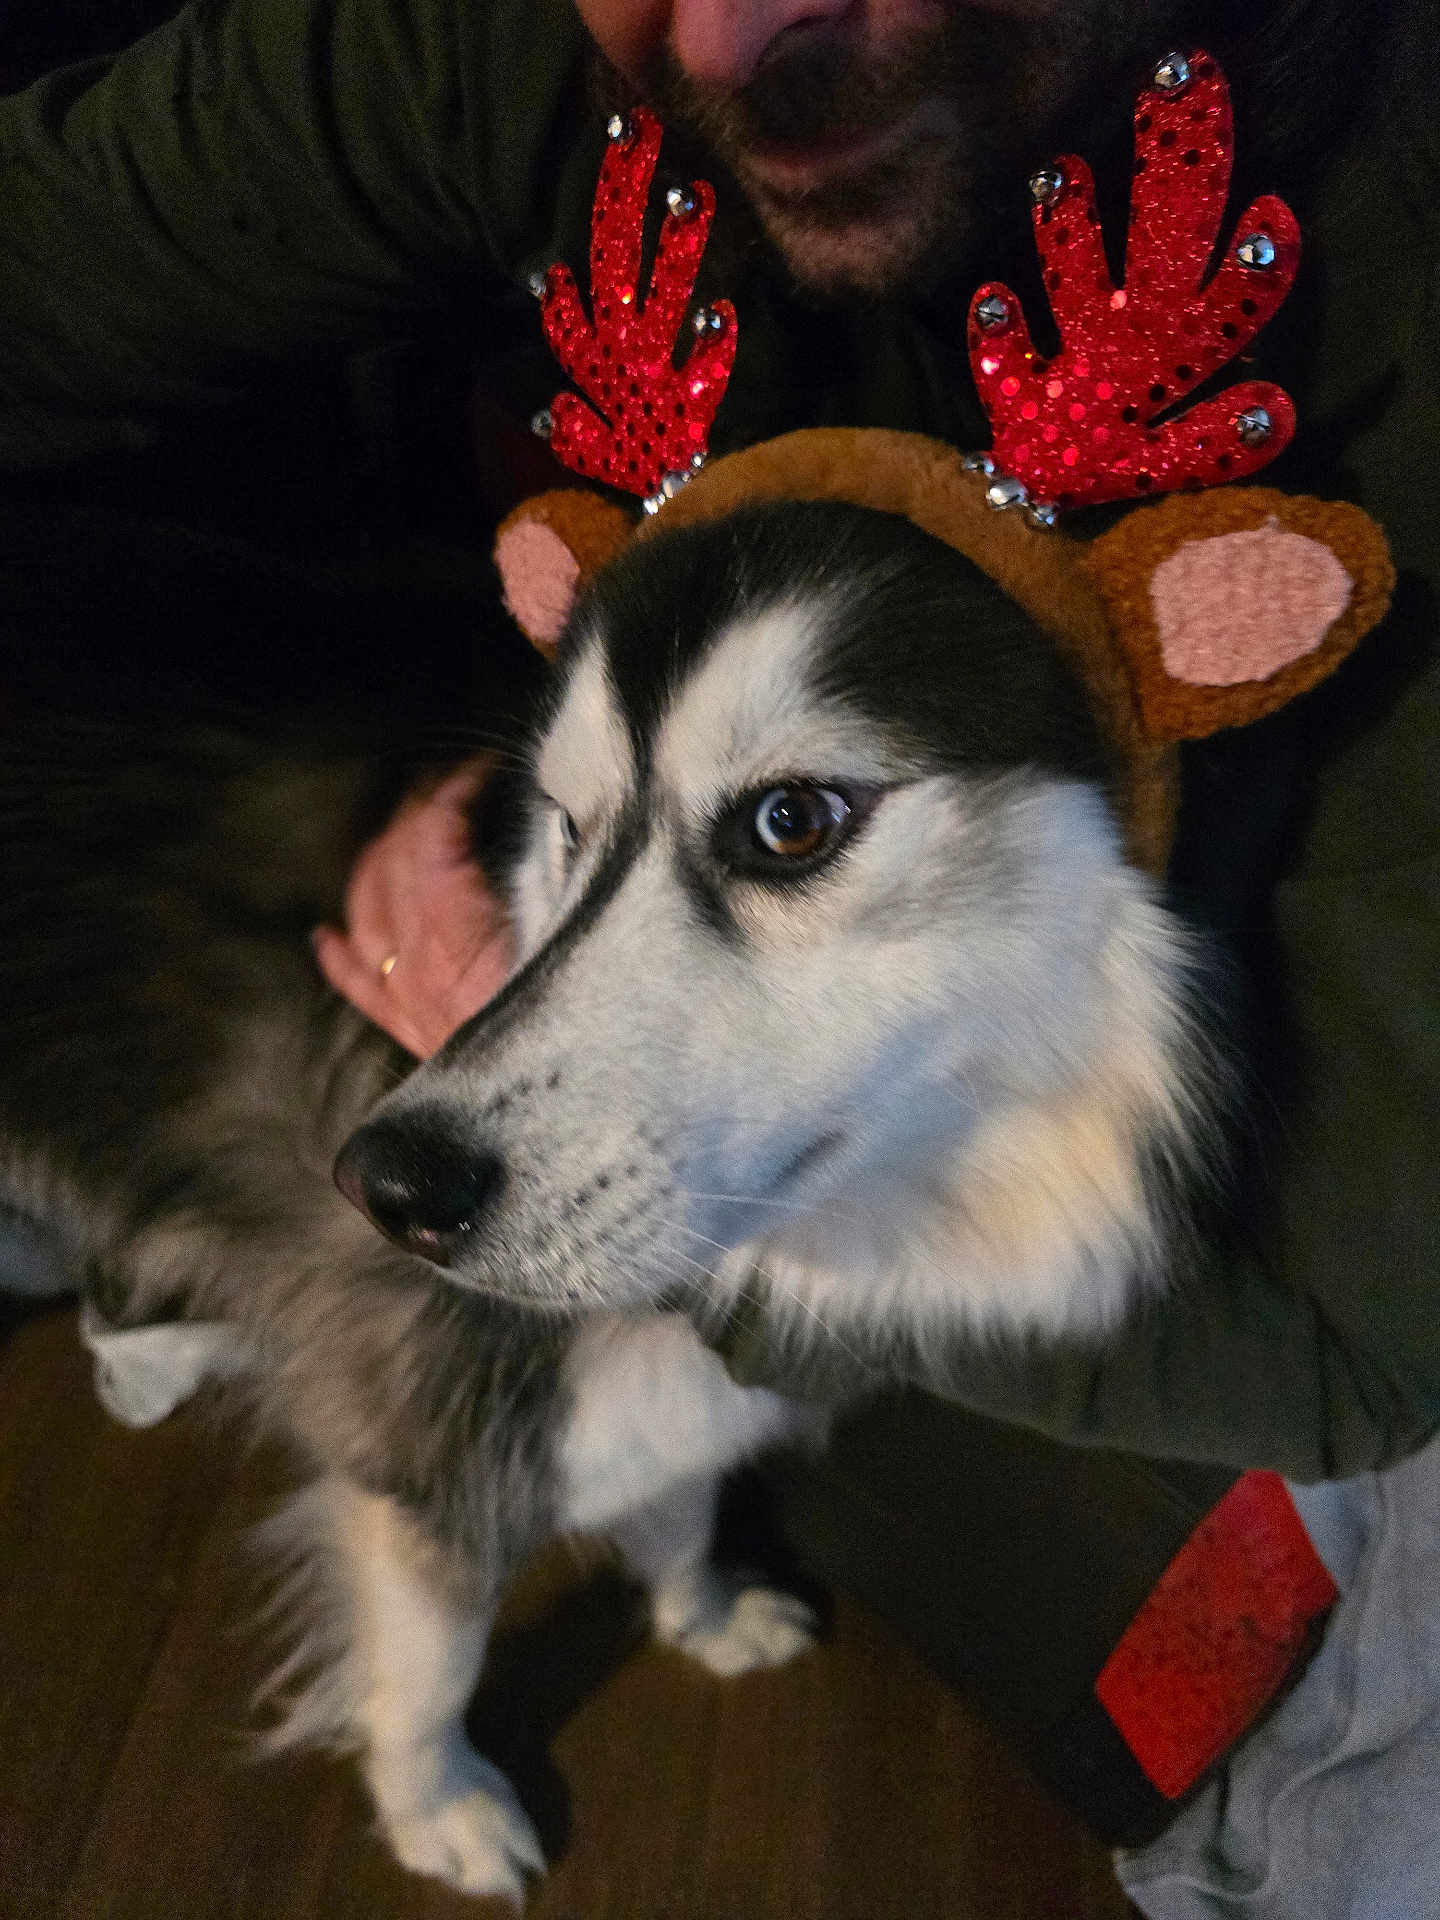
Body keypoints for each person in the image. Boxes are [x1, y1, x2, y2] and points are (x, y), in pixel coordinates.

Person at [1, 0, 1436, 1909]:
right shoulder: (553, 56)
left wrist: (731, 1280)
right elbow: (434, 1482)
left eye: (789, 830)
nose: (728, 25)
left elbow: (1361, 1340)